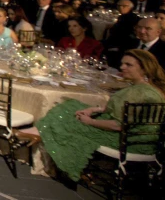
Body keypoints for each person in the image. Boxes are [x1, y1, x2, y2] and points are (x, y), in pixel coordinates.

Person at [26, 49, 165, 181]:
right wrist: (95, 109)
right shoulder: (145, 88)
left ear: (144, 68)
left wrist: (89, 122)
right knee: (70, 106)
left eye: (128, 65)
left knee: (69, 118)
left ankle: (34, 134)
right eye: (122, 63)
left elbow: (118, 125)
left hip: (126, 141)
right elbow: (119, 110)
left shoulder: (139, 93)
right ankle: (35, 133)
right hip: (133, 136)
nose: (122, 67)